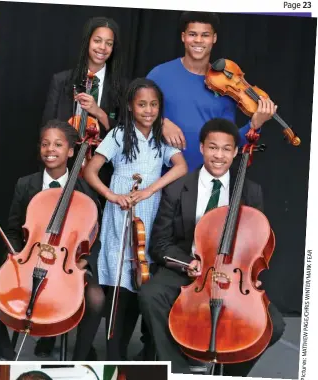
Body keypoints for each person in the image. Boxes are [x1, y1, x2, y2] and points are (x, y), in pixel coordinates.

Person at [138, 118, 285, 375]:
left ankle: (229, 374)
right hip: (191, 269)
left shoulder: (251, 192)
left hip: (233, 275)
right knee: (150, 295)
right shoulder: (176, 189)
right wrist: (188, 264)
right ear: (202, 148)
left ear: (236, 152)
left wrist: (251, 275)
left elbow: (256, 243)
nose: (219, 155)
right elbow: (160, 244)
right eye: (213, 148)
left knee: (275, 326)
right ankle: (179, 370)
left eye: (226, 149)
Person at [0, 120, 105, 361]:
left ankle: (80, 357)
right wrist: (17, 256)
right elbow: (14, 229)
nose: (51, 149)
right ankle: (5, 349)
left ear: (71, 151)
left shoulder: (84, 189)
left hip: (67, 264)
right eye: (46, 144)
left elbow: (93, 235)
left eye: (58, 144)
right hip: (28, 260)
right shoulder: (26, 184)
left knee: (96, 299)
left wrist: (85, 263)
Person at [39, 15, 125, 357]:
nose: (102, 48)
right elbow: (48, 127)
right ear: (87, 42)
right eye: (97, 41)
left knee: (85, 247)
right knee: (54, 244)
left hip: (99, 175)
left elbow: (124, 131)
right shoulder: (63, 81)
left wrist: (100, 114)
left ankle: (79, 330)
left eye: (109, 43)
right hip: (64, 174)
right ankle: (48, 325)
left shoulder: (119, 86)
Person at [83, 77, 188, 360]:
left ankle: (143, 351)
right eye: (141, 104)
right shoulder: (118, 135)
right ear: (130, 106)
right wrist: (112, 196)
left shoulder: (160, 137)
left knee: (142, 276)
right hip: (120, 213)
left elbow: (181, 167)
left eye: (154, 105)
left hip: (150, 211)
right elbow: (90, 171)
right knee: (119, 282)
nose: (148, 110)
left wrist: (149, 190)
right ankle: (114, 353)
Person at [147, 11, 277, 172]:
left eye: (205, 35)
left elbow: (229, 142)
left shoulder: (225, 87)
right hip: (159, 176)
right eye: (192, 34)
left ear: (214, 38)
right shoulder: (159, 74)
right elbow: (132, 116)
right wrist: (160, 123)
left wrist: (255, 125)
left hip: (202, 180)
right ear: (183, 37)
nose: (198, 40)